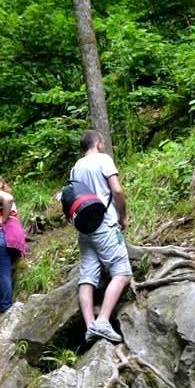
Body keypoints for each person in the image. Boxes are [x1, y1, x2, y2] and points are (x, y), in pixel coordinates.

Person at [70, 129, 132, 344]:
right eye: (102, 141)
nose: (103, 144)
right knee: (122, 273)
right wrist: (123, 216)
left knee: (87, 277)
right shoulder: (103, 159)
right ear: (97, 142)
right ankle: (103, 321)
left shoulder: (76, 168)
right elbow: (116, 190)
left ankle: (90, 327)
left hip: (84, 228)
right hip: (104, 224)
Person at [0, 173, 27, 315]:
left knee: (2, 273)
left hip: (2, 236)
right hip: (10, 237)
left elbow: (8, 199)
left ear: (0, 183)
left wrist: (2, 219)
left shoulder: (0, 195)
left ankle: (5, 308)